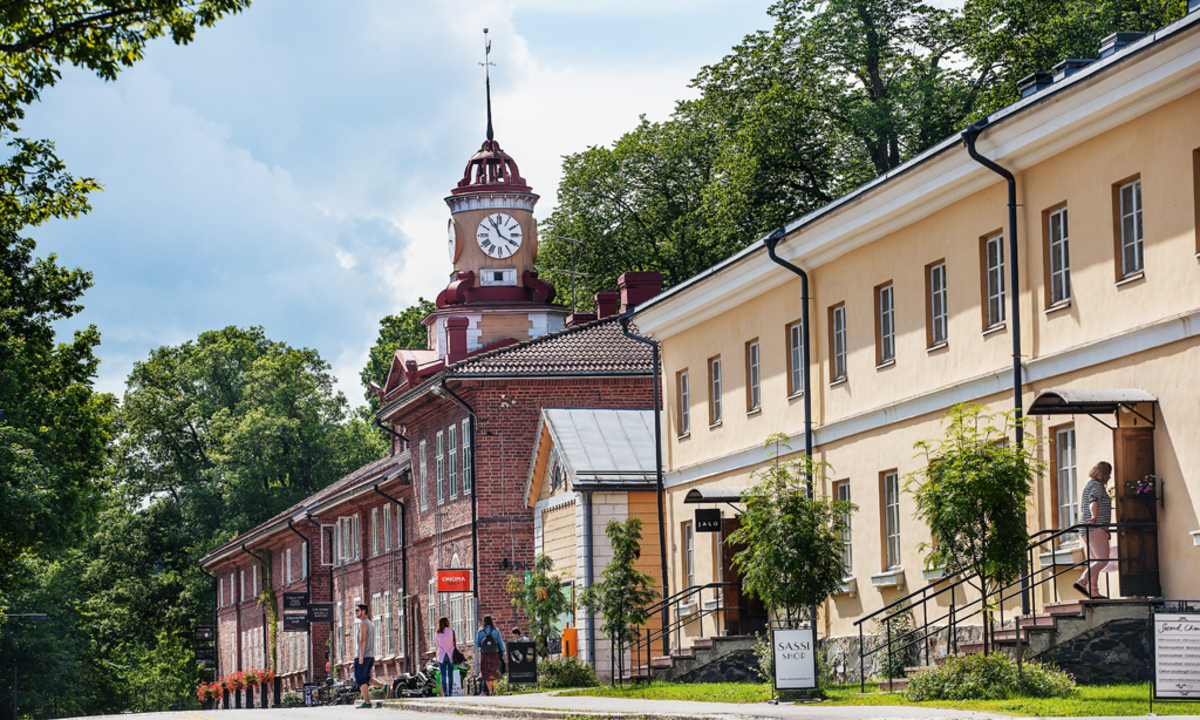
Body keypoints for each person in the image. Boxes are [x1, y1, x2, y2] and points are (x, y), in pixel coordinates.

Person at [1074, 461, 1114, 599]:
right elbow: (1093, 501)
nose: (1109, 477)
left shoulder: (1089, 485)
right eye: (1109, 474)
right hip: (1094, 527)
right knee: (1103, 560)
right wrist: (1094, 517)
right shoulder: (1097, 486)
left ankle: (1094, 591)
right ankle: (1082, 581)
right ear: (1104, 473)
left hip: (1088, 528)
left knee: (1095, 560)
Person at [353, 603, 383, 708]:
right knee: (367, 678)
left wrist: (360, 656)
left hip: (364, 656)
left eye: (357, 610)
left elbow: (362, 640)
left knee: (360, 679)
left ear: (364, 611)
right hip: (370, 656)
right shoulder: (370, 624)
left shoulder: (363, 624)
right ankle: (384, 686)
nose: (356, 612)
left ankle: (367, 702)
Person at [475, 615, 506, 695]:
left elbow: (477, 644)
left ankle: (490, 691)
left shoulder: (480, 631)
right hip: (494, 653)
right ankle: (495, 690)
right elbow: (500, 642)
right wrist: (504, 651)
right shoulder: (496, 630)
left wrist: (483, 643)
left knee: (486, 673)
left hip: (484, 654)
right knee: (494, 672)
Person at [435, 616, 458, 697]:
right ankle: (450, 692)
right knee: (450, 675)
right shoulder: (452, 631)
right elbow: (455, 642)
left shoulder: (437, 633)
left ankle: (445, 693)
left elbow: (437, 645)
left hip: (441, 655)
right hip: (451, 655)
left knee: (443, 675)